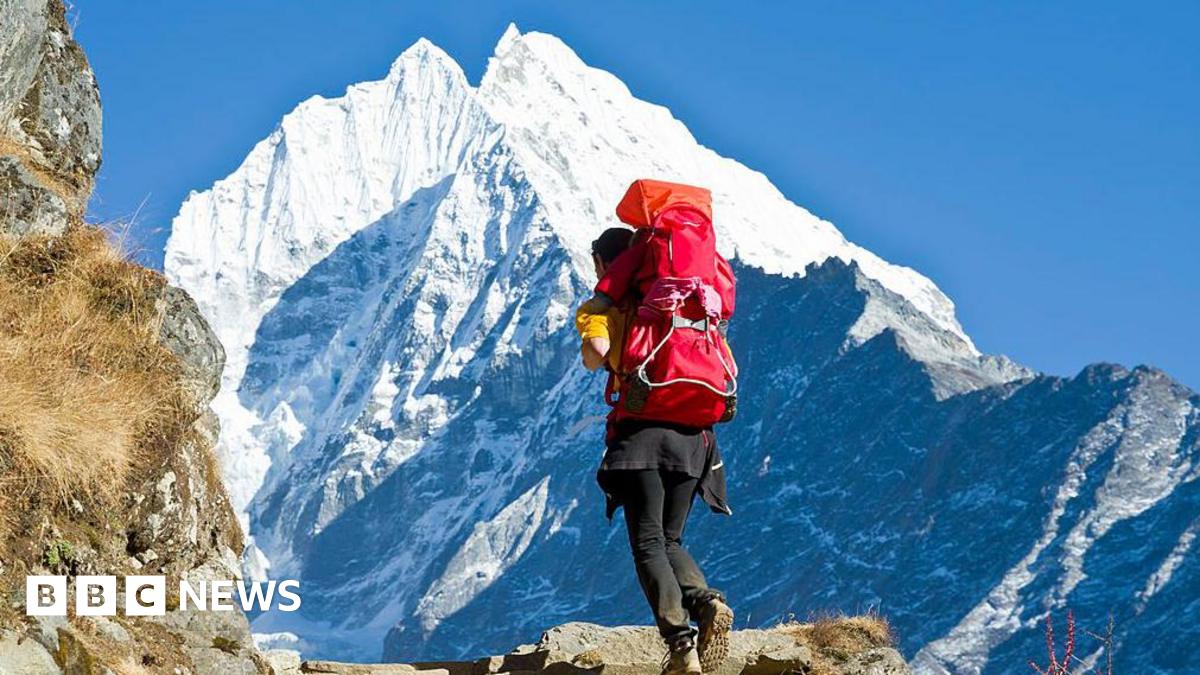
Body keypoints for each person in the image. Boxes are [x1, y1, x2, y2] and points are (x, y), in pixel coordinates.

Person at [575, 227, 734, 675]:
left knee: (647, 542)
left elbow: (596, 354)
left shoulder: (609, 308)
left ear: (606, 265)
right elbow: (727, 367)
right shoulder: (687, 306)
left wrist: (595, 321)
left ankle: (681, 644)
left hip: (641, 435)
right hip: (695, 440)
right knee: (671, 539)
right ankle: (704, 602)